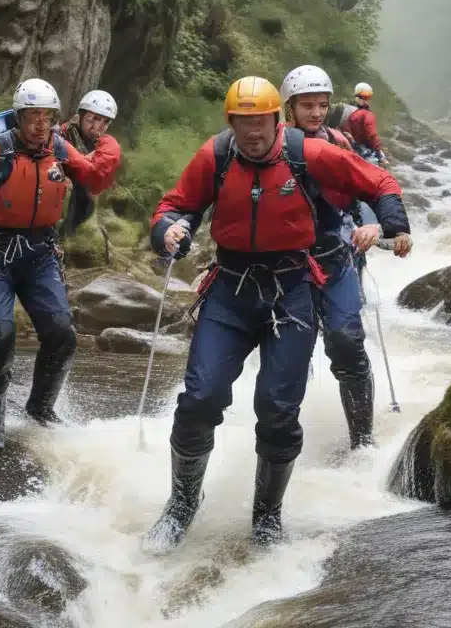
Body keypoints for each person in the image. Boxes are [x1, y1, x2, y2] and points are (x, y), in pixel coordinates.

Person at [143, 77, 412, 551]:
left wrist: (392, 224)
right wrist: (168, 229)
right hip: (229, 290)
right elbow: (173, 205)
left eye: (259, 121)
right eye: (242, 121)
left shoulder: (309, 154)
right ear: (232, 121)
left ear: (275, 119)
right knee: (200, 399)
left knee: (278, 411)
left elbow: (379, 181)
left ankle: (267, 518)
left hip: (291, 292)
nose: (252, 131)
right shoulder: (216, 155)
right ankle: (181, 505)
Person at [0, 79, 121, 452]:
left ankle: (40, 410)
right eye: (33, 116)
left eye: (47, 117)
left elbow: (94, 179)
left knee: (62, 332)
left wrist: (106, 143)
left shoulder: (61, 149)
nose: (40, 124)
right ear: (19, 117)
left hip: (40, 254)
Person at [280, 65, 385, 452]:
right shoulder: (271, 148)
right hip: (289, 269)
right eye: (307, 105)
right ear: (289, 108)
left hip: (336, 256)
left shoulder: (340, 143)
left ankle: (362, 442)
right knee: (292, 354)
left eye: (321, 105)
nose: (316, 113)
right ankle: (283, 443)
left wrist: (372, 226)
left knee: (346, 341)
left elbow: (365, 190)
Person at [59, 90, 121, 244]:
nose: (98, 126)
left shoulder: (101, 144)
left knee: (86, 204)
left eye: (105, 122)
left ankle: (65, 234)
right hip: (56, 184)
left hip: (81, 186)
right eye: (93, 119)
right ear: (80, 116)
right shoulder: (62, 133)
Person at [330, 82, 387, 165]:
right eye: (365, 97)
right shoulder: (367, 115)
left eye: (367, 97)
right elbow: (372, 135)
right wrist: (379, 153)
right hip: (360, 149)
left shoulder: (343, 108)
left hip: (343, 147)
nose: (365, 100)